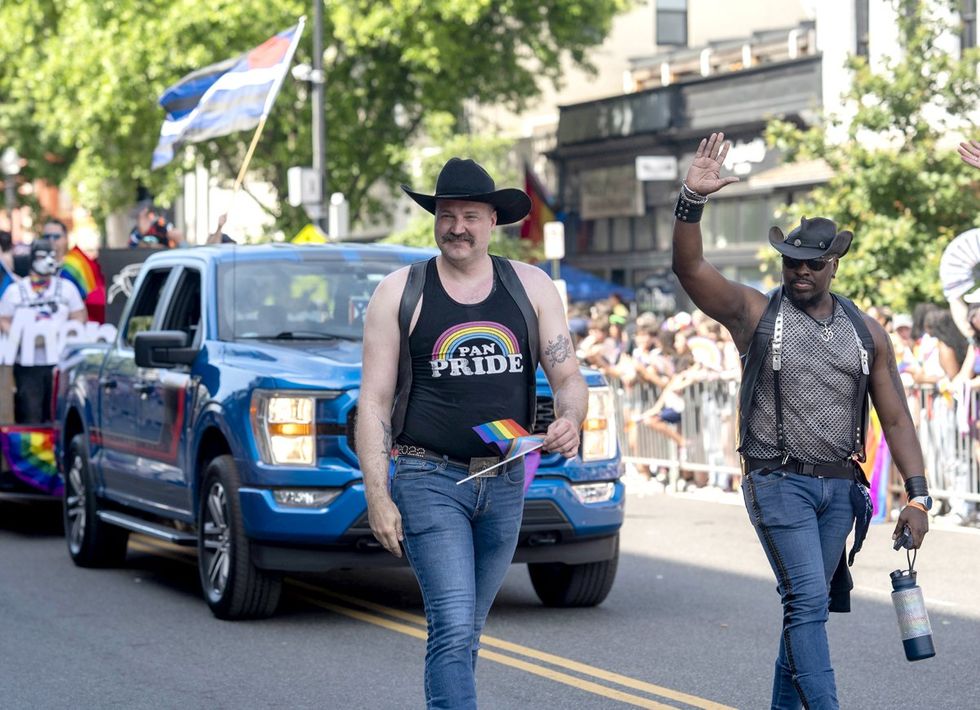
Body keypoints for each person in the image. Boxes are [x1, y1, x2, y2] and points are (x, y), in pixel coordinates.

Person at [671, 133, 930, 710]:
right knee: (807, 601)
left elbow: (897, 418)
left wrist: (918, 498)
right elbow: (688, 269)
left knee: (807, 611)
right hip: (777, 481)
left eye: (812, 262)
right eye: (792, 262)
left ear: (833, 263)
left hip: (839, 487)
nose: (801, 271)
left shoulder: (867, 334)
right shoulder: (756, 313)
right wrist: (692, 199)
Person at [356, 158, 585, 710]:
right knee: (454, 627)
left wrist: (571, 419)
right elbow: (373, 402)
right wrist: (377, 494)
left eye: (471, 216)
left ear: (492, 222)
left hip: (505, 480)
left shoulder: (531, 287)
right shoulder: (399, 291)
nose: (458, 226)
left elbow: (568, 374)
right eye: (448, 214)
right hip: (427, 477)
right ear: (434, 220)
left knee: (467, 631)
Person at [0, 237, 86, 423]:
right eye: (42, 256)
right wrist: (19, 336)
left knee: (59, 411)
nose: (48, 260)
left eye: (52, 255)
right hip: (28, 363)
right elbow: (3, 319)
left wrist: (66, 334)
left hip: (60, 361)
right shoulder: (15, 291)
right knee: (31, 411)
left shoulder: (67, 289)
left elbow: (79, 316)